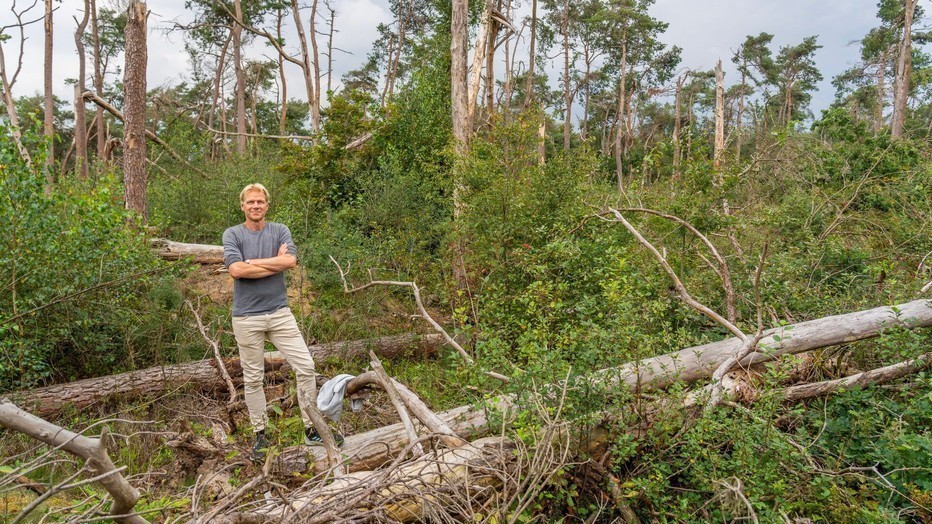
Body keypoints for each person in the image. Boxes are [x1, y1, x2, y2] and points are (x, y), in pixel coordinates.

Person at [222, 183, 342, 461]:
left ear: (267, 205)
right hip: (246, 317)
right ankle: (260, 436)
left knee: (306, 366)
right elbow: (236, 270)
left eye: (260, 202)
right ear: (242, 206)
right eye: (250, 202)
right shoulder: (232, 234)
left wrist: (256, 263)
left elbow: (290, 262)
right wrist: (271, 261)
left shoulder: (280, 230)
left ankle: (312, 428)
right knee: (253, 379)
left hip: (279, 313)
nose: (255, 206)